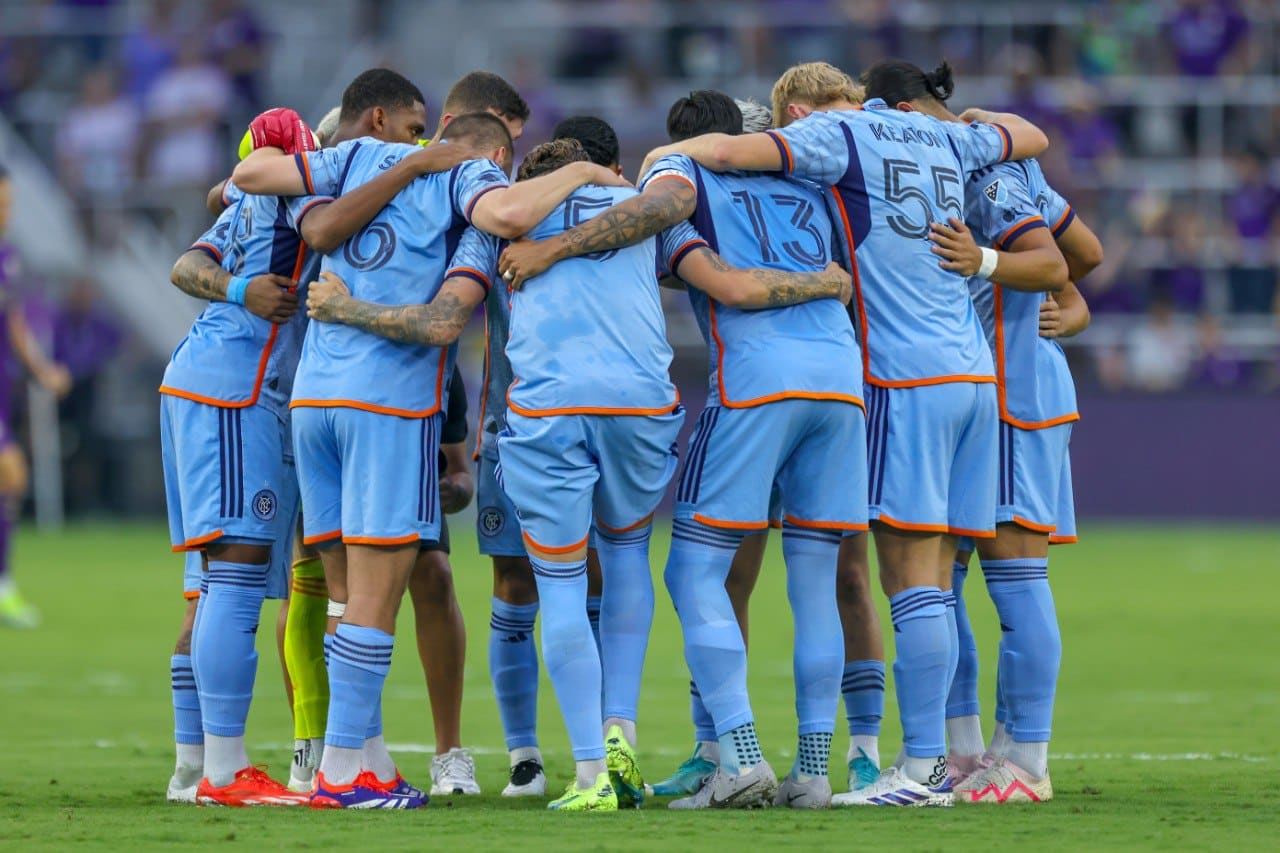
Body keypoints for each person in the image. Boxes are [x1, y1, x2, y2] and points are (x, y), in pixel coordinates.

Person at [639, 59, 1049, 808]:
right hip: (954, 374)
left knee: (896, 579)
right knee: (853, 577)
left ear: (797, 114)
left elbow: (723, 161)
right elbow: (1030, 133)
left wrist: (660, 160)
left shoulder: (831, 143)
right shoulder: (944, 141)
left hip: (887, 377)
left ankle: (857, 762)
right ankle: (826, 767)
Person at [231, 112, 626, 809]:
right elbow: (449, 315)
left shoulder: (356, 165)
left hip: (313, 403)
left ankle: (362, 758)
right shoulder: (469, 199)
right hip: (384, 408)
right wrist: (587, 172)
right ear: (492, 156)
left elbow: (246, 177)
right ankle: (345, 769)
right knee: (380, 593)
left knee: (343, 593)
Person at [498, 88, 865, 811]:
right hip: (841, 378)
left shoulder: (677, 178)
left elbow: (711, 269)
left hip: (753, 385)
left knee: (692, 572)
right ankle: (816, 770)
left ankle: (737, 755)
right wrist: (824, 283)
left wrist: (553, 247)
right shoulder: (810, 185)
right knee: (816, 578)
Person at [930, 147, 1101, 804]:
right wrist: (1062, 307)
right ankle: (969, 747)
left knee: (1013, 569)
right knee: (937, 573)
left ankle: (1025, 754)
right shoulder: (1014, 166)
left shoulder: (981, 173)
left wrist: (1040, 304)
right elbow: (1083, 258)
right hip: (978, 390)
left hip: (1009, 387)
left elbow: (1068, 270)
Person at [0, 164, 73, 630]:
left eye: (8, 204)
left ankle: (3, 587)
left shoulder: (7, 255)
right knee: (11, 475)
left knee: (11, 481)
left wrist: (41, 371)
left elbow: (15, 324)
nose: (5, 212)